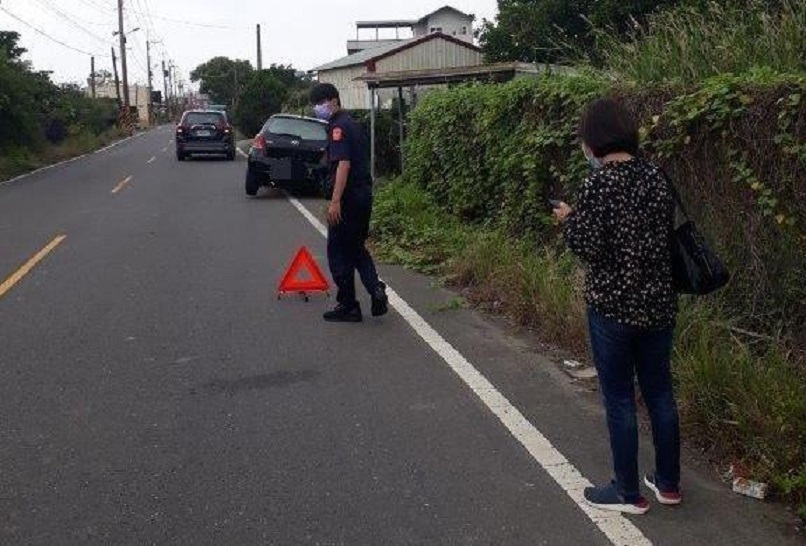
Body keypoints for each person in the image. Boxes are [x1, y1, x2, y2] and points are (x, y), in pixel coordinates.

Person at [553, 98, 682, 515]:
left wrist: (569, 219)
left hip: (613, 306)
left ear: (595, 138)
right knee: (660, 392)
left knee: (621, 398)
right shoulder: (656, 176)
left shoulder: (600, 183)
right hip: (659, 302)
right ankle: (668, 484)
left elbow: (588, 246)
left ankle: (627, 493)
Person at [309, 82, 388, 323]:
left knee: (338, 251)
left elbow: (343, 163)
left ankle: (348, 305)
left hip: (348, 198)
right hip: (364, 195)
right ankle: (375, 289)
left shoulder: (339, 127)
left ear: (333, 100)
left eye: (321, 103)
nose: (318, 108)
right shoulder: (353, 123)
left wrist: (335, 201)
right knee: (356, 247)